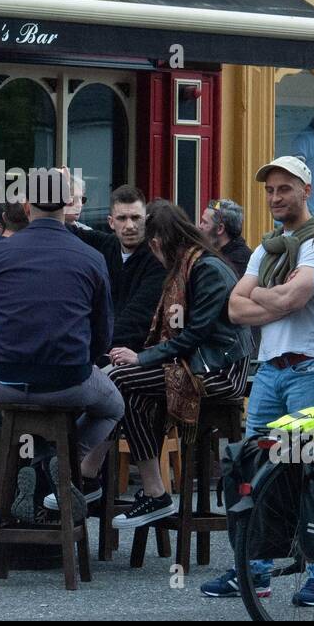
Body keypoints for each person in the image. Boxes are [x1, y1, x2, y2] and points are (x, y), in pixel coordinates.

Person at [0, 167, 122, 517]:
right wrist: (81, 361)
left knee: (29, 414)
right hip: (68, 381)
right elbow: (104, 333)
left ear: (26, 207)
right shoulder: (91, 257)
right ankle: (62, 461)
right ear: (67, 206)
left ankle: (43, 461)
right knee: (114, 405)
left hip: (7, 382)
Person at [215, 155, 314, 602]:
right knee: (256, 471)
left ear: (307, 190)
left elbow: (299, 294)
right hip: (268, 371)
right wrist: (280, 298)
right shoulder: (267, 247)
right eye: (269, 190)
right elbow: (234, 309)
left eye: (284, 188)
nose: (274, 197)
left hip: (310, 367)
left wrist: (268, 297)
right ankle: (255, 571)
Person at [108, 201, 251, 530]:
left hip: (220, 371)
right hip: (198, 362)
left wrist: (141, 358)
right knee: (131, 393)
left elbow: (194, 335)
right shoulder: (191, 264)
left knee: (119, 379)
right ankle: (153, 493)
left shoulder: (206, 269)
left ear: (157, 243)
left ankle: (88, 478)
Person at [67, 184, 165, 363]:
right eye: (122, 218)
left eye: (136, 218)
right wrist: (61, 192)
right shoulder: (107, 245)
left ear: (147, 220)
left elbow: (136, 318)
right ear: (111, 222)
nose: (130, 226)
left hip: (134, 355)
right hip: (98, 351)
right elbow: (62, 229)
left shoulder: (157, 260)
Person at [199, 198, 252, 276]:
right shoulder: (213, 253)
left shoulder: (237, 262)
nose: (200, 226)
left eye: (205, 222)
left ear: (220, 229)